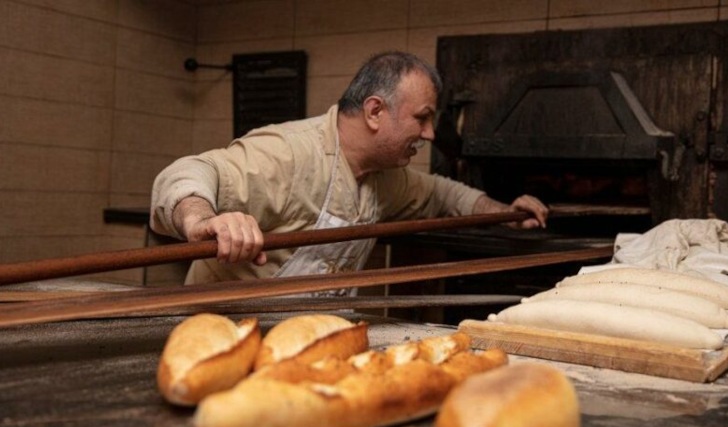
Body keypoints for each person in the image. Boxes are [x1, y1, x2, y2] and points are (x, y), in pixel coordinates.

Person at [150, 51, 548, 292]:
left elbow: (443, 195)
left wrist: (504, 212)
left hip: (303, 346)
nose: (428, 134)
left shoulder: (383, 177)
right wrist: (203, 220)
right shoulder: (289, 154)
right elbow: (189, 172)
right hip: (222, 338)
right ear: (375, 111)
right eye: (422, 119)